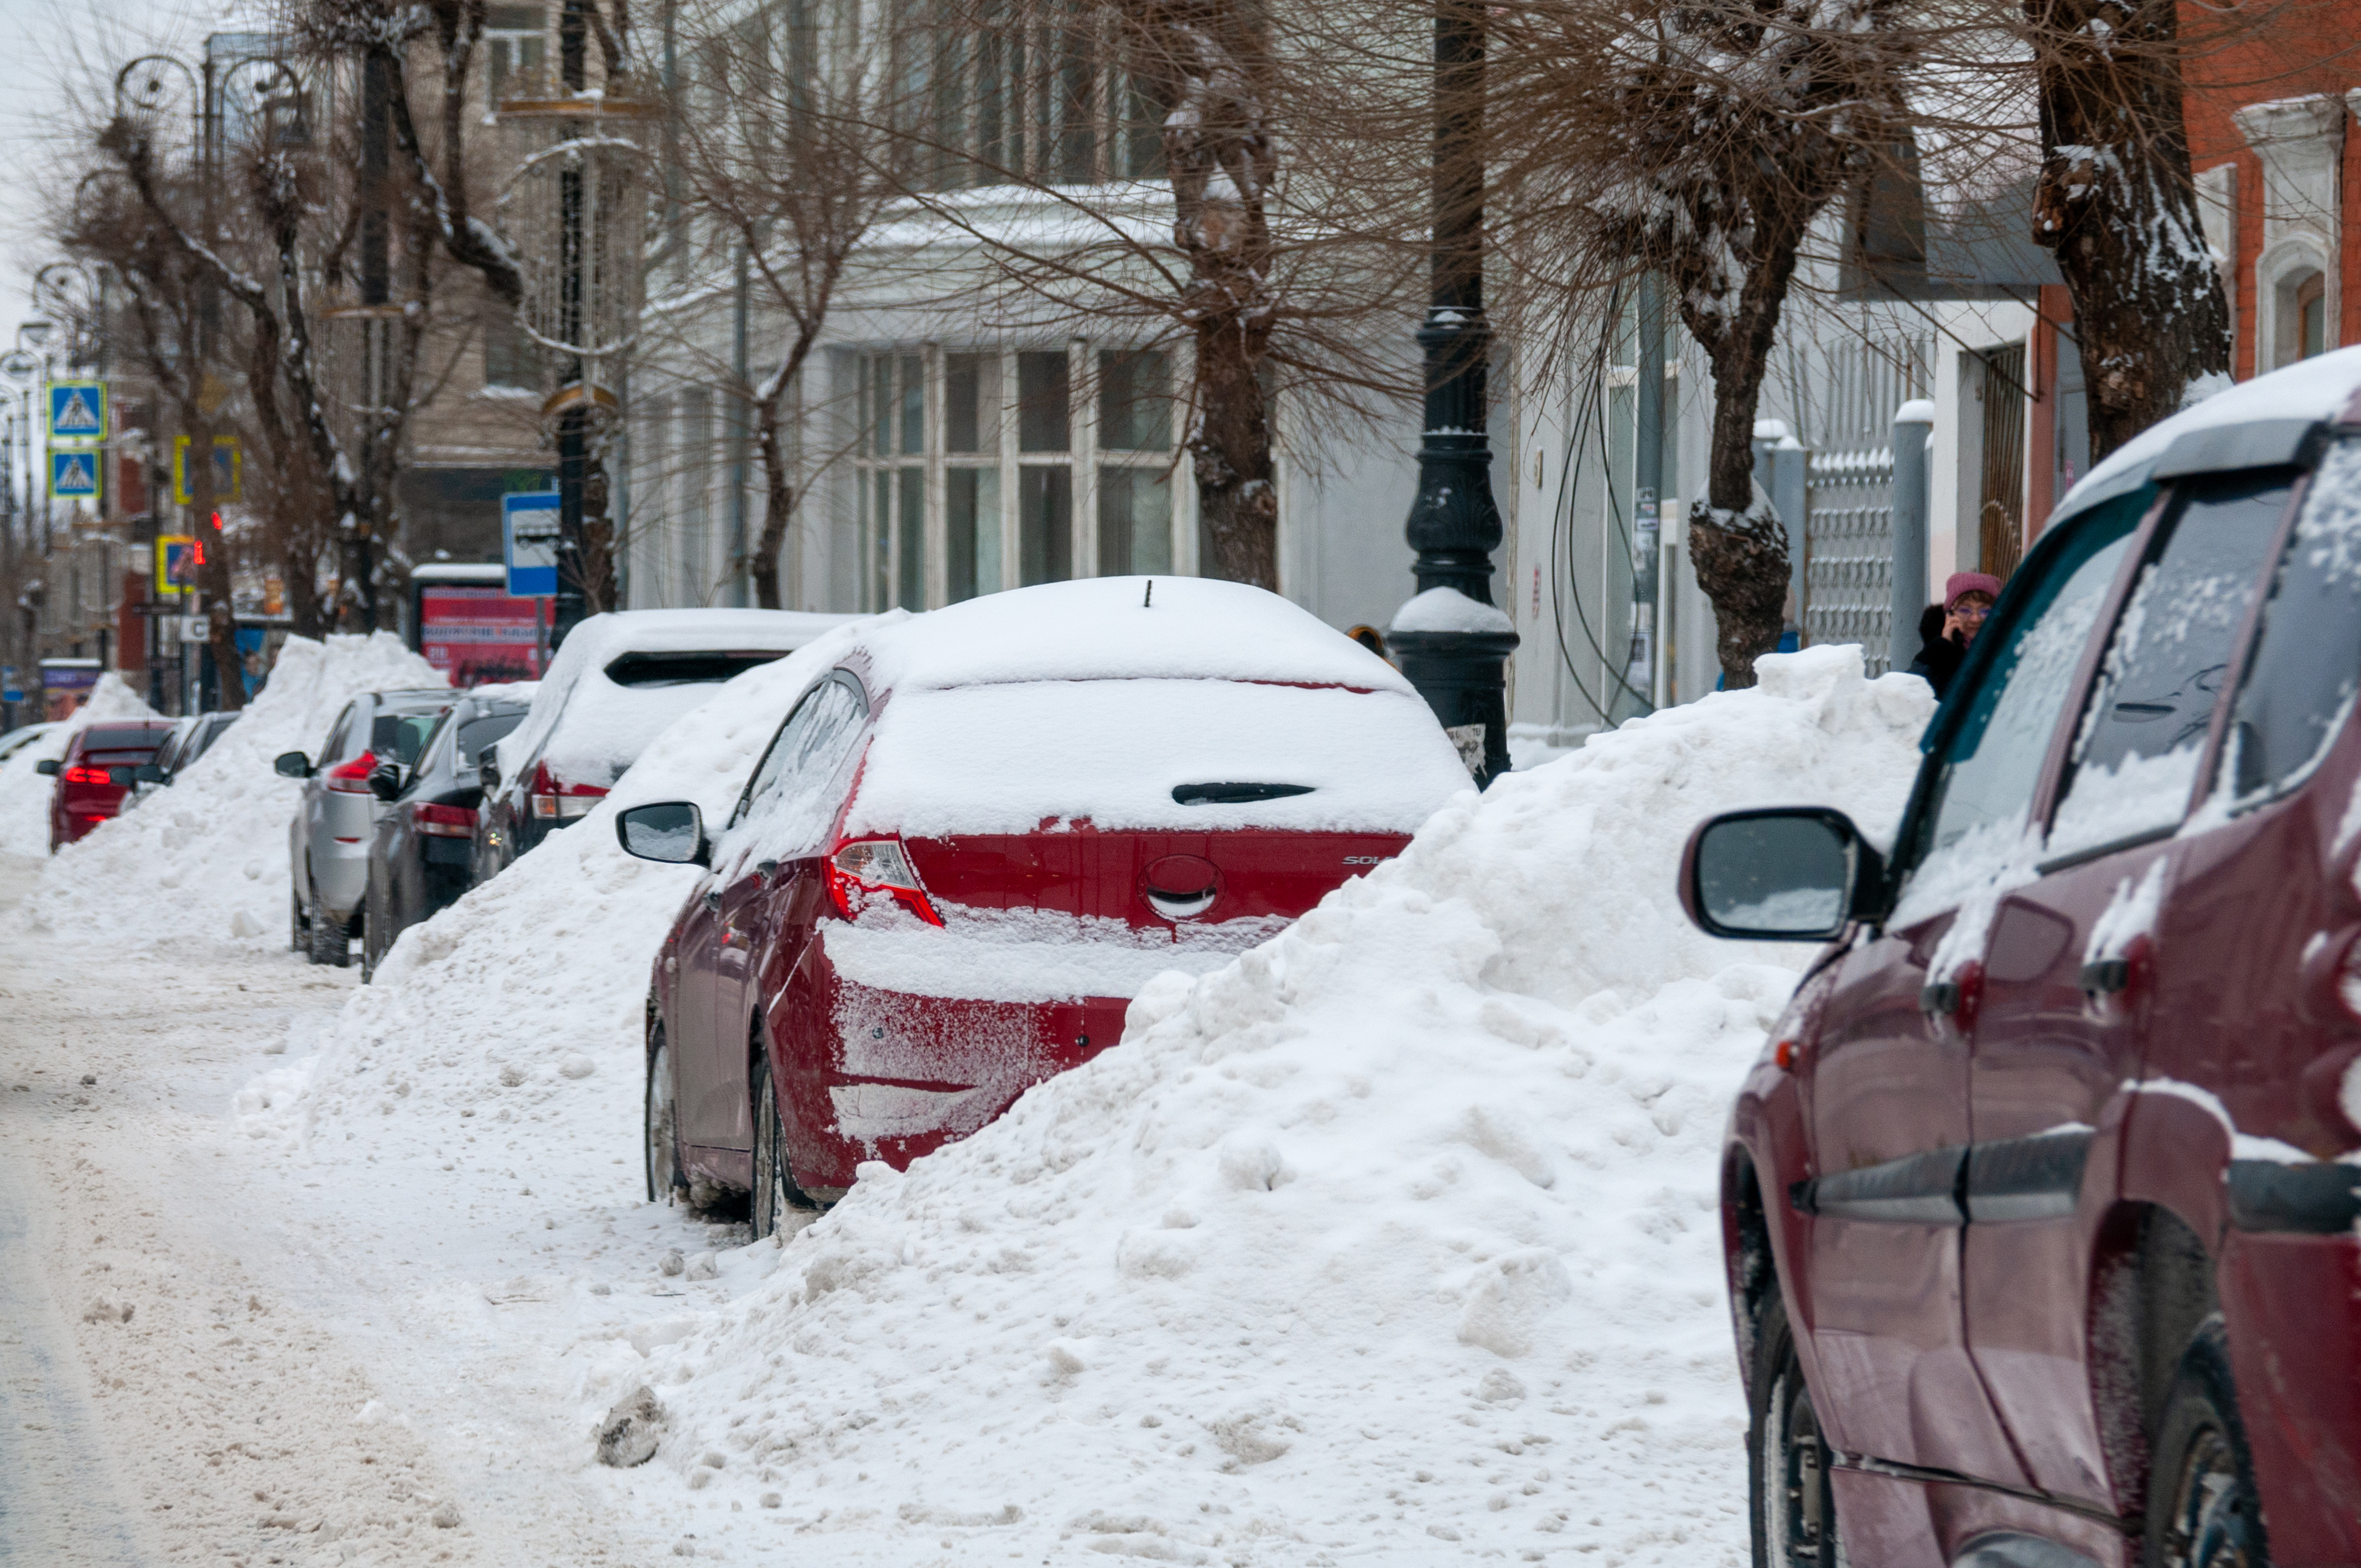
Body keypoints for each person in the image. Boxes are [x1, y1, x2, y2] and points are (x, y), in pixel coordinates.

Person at [1907, 571, 2002, 699]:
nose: (1975, 619)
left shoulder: (2005, 646)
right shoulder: (1938, 649)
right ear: (1950, 613)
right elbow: (1911, 690)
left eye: (1985, 611)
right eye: (1965, 610)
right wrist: (1943, 645)